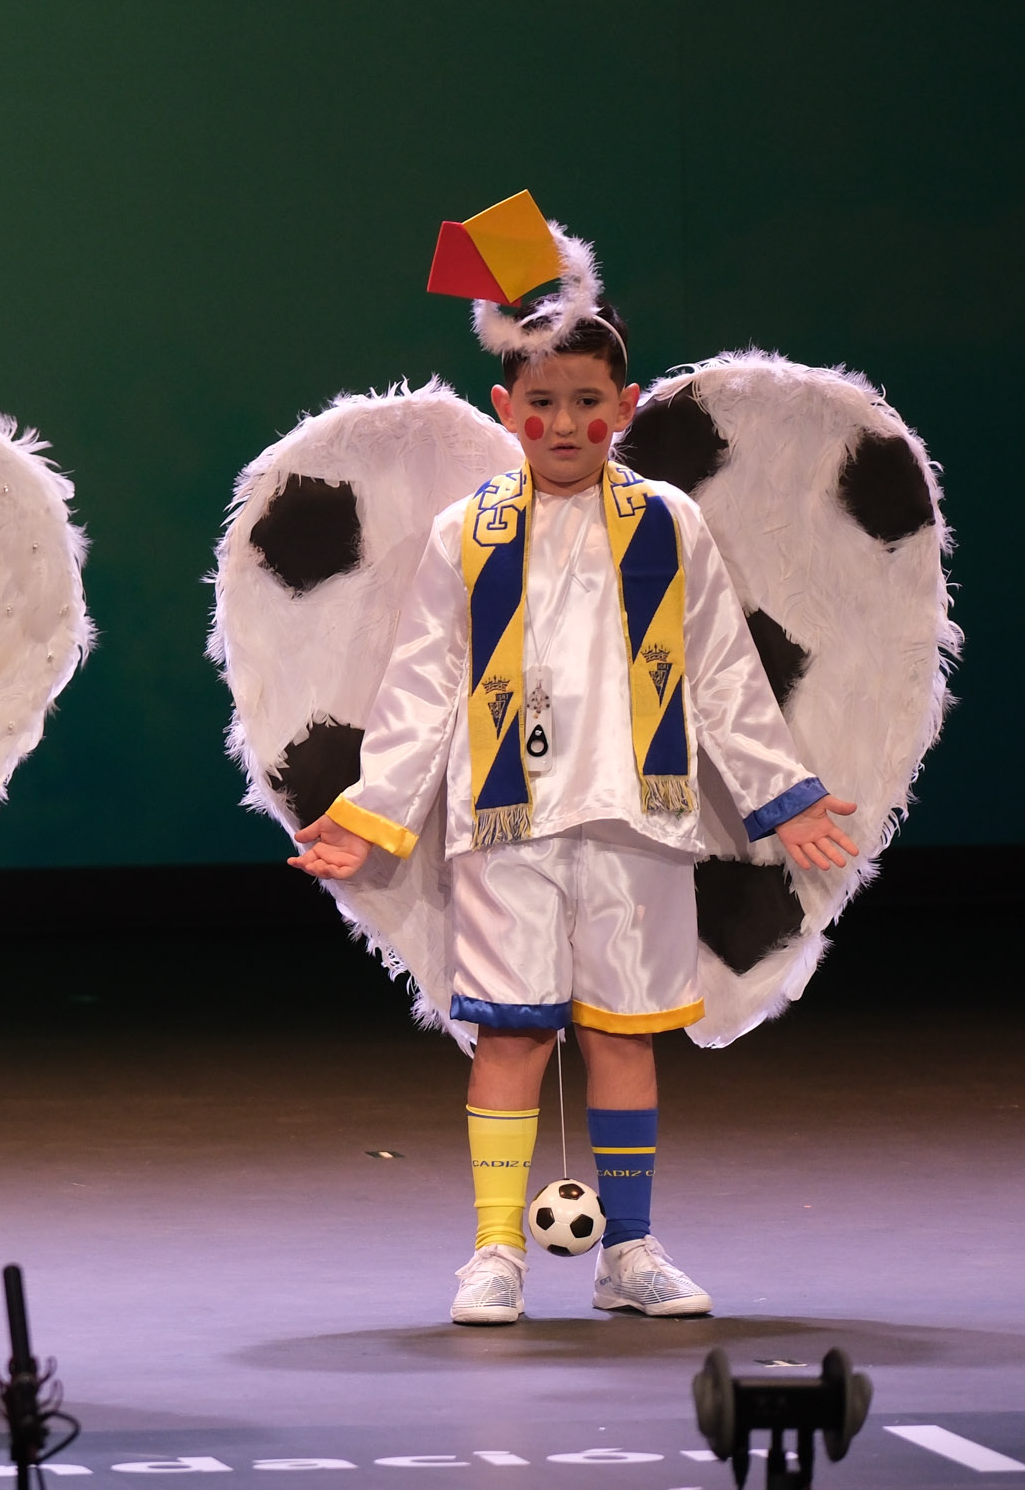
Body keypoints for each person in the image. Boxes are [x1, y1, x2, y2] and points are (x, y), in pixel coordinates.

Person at [288, 300, 859, 1325]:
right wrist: (367, 812)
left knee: (625, 1038)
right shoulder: (467, 533)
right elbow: (424, 684)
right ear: (505, 409)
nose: (563, 424)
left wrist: (786, 796)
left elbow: (722, 672)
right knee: (513, 1038)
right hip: (507, 827)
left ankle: (629, 1248)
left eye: (586, 402)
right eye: (542, 403)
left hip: (637, 819)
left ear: (626, 407)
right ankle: (497, 1249)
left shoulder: (668, 526)